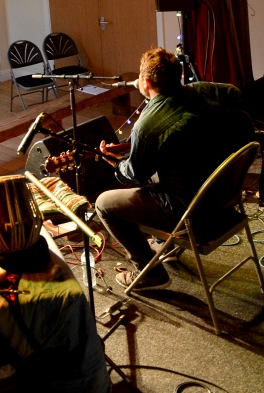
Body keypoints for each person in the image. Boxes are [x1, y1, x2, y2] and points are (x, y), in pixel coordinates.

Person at [94, 47, 242, 291]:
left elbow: (137, 174)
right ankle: (168, 247)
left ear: (147, 81)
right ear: (178, 76)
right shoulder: (201, 91)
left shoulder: (147, 125)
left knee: (104, 204)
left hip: (191, 211)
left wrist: (118, 164)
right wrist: (133, 146)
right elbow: (234, 93)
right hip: (224, 195)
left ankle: (150, 273)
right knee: (164, 171)